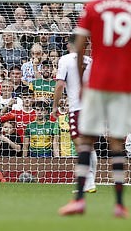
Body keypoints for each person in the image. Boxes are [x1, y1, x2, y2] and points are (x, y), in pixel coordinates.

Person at [59, 0, 131, 218]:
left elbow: (79, 47)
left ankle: (79, 199)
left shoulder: (94, 7)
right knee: (116, 142)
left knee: (86, 141)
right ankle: (120, 204)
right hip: (123, 84)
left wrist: (80, 77)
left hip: (98, 83)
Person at [52, 34, 97, 193]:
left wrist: (55, 106)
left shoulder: (65, 59)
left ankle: (89, 181)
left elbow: (59, 85)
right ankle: (88, 183)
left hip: (77, 108)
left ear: (68, 45)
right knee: (89, 146)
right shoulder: (90, 61)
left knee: (79, 144)